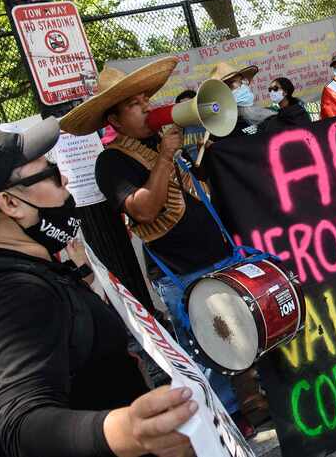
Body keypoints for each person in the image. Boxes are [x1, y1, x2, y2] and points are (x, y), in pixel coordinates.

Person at [0, 118, 197, 456]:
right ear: (10, 204)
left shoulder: (4, 267)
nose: (64, 179)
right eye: (50, 174)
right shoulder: (9, 295)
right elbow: (22, 426)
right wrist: (129, 431)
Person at [59, 58, 265, 431]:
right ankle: (228, 419)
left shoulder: (162, 140)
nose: (146, 109)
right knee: (207, 349)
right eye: (134, 105)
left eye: (144, 100)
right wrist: (167, 156)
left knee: (246, 331)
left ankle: (258, 400)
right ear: (115, 121)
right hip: (181, 271)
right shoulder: (111, 163)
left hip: (220, 255)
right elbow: (144, 208)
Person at [210, 61, 274, 133]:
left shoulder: (270, 119)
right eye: (232, 83)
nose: (243, 86)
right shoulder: (222, 133)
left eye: (242, 80)